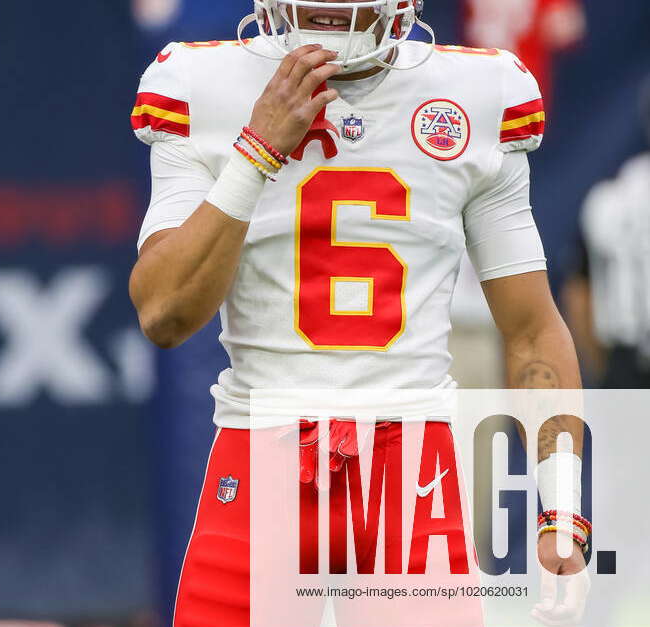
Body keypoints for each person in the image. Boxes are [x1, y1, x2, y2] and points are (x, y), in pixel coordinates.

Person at [128, 1, 587, 625]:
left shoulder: (474, 96)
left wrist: (561, 507)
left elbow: (532, 329)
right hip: (262, 454)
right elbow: (163, 313)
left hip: (411, 472)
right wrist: (256, 150)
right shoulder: (206, 85)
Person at [564, 77, 650, 388]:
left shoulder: (610, 196)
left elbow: (578, 292)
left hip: (622, 361)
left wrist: (602, 367)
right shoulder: (608, 198)